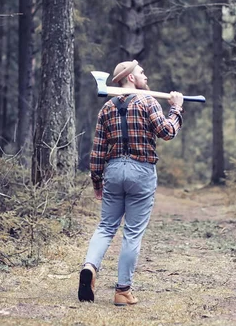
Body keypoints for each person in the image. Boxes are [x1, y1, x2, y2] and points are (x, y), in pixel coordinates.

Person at [78, 60, 184, 306]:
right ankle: (122, 291)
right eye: (142, 72)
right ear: (132, 78)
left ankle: (89, 267)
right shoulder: (148, 102)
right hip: (141, 171)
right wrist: (176, 109)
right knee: (132, 233)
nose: (145, 76)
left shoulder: (106, 108)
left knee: (105, 227)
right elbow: (167, 132)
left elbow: (97, 150)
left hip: (113, 171)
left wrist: (97, 181)